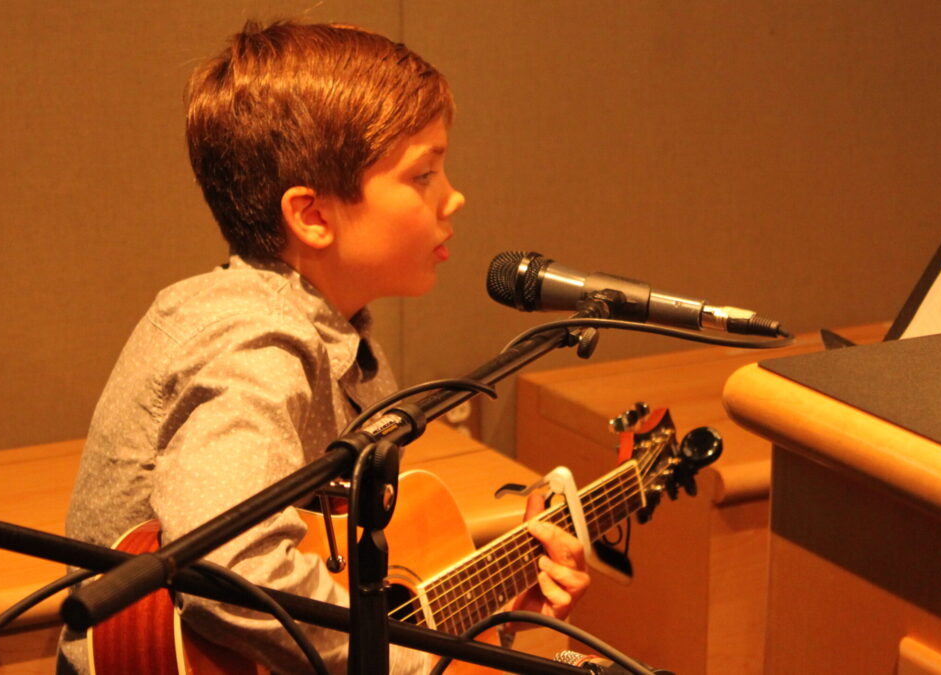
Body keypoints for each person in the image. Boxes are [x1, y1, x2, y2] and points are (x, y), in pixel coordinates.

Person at [58, 20, 589, 674]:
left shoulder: (341, 336)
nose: (454, 196)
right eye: (423, 175)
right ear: (311, 215)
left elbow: (360, 578)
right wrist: (401, 664)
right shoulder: (254, 338)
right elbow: (228, 563)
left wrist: (499, 604)